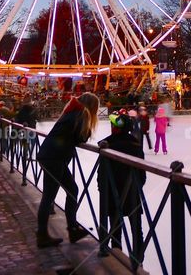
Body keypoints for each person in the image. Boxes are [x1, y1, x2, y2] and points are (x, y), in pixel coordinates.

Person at [36, 92, 100, 248]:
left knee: (71, 190)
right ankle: (43, 235)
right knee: (50, 196)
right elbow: (81, 137)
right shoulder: (81, 115)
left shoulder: (72, 112)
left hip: (51, 156)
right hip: (54, 158)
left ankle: (72, 229)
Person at [97, 109, 146, 267]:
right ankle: (137, 262)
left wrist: (102, 188)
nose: (111, 127)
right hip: (132, 193)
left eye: (113, 125)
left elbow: (102, 172)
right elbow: (142, 173)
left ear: (118, 128)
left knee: (115, 228)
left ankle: (116, 259)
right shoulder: (136, 145)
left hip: (113, 193)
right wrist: (137, 187)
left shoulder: (107, 144)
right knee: (136, 229)